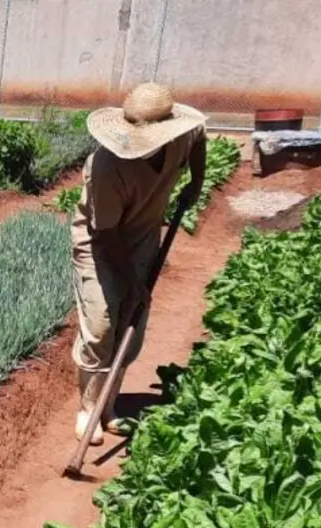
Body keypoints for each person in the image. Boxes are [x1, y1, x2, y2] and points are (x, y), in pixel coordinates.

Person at [72, 83, 207, 445]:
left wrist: (197, 180)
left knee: (130, 324)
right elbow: (107, 235)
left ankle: (109, 403)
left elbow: (199, 138)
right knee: (101, 325)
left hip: (144, 239)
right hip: (100, 245)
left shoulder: (181, 137)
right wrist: (134, 282)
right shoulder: (106, 168)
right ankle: (88, 409)